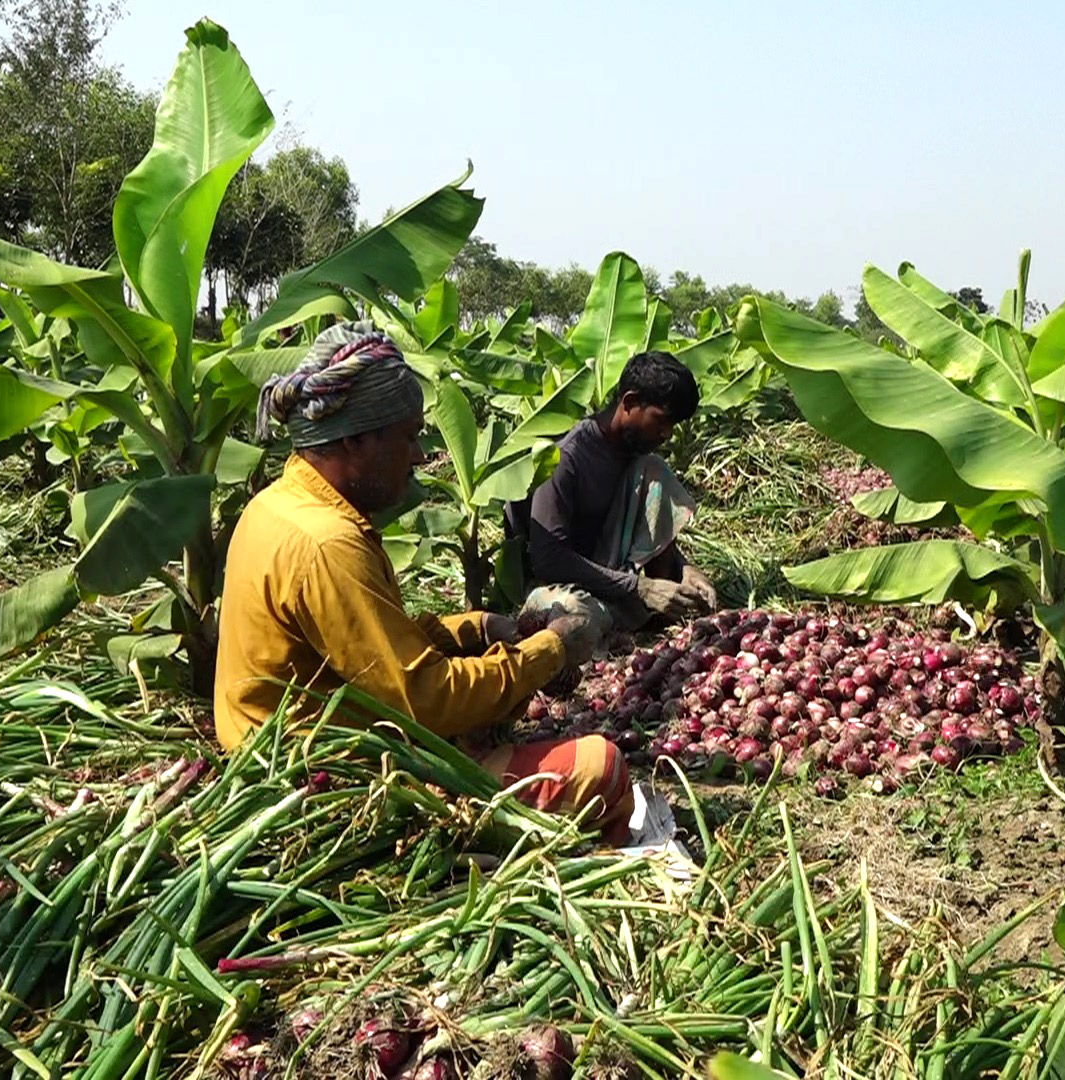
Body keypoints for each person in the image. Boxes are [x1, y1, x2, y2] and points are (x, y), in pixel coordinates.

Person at [215, 322, 634, 841]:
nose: (418, 457)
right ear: (354, 440)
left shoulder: (280, 505)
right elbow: (423, 698)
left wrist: (477, 626)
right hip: (327, 780)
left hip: (297, 738)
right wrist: (551, 648)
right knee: (604, 767)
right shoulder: (328, 544)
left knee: (498, 695)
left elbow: (367, 647)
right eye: (408, 437)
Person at [509, 350, 717, 631]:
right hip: (561, 585)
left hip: (615, 579)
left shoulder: (637, 452)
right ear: (629, 402)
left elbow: (644, 529)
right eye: (661, 420)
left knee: (655, 469)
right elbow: (549, 558)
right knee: (573, 618)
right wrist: (639, 588)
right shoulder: (567, 456)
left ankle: (663, 612)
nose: (667, 434)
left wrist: (686, 571)